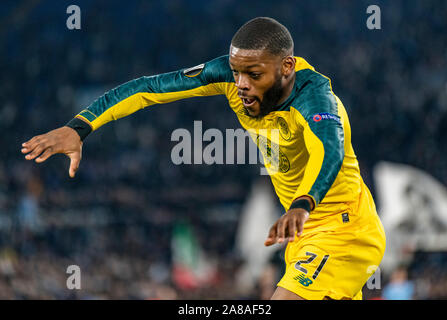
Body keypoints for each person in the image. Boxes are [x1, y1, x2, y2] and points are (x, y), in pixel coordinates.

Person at [21, 17, 386, 300]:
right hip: (303, 236)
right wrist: (81, 126)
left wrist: (303, 204)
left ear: (286, 67)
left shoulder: (315, 98)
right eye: (237, 71)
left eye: (253, 75)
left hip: (343, 231)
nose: (241, 83)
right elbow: (148, 88)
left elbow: (330, 149)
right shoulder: (230, 76)